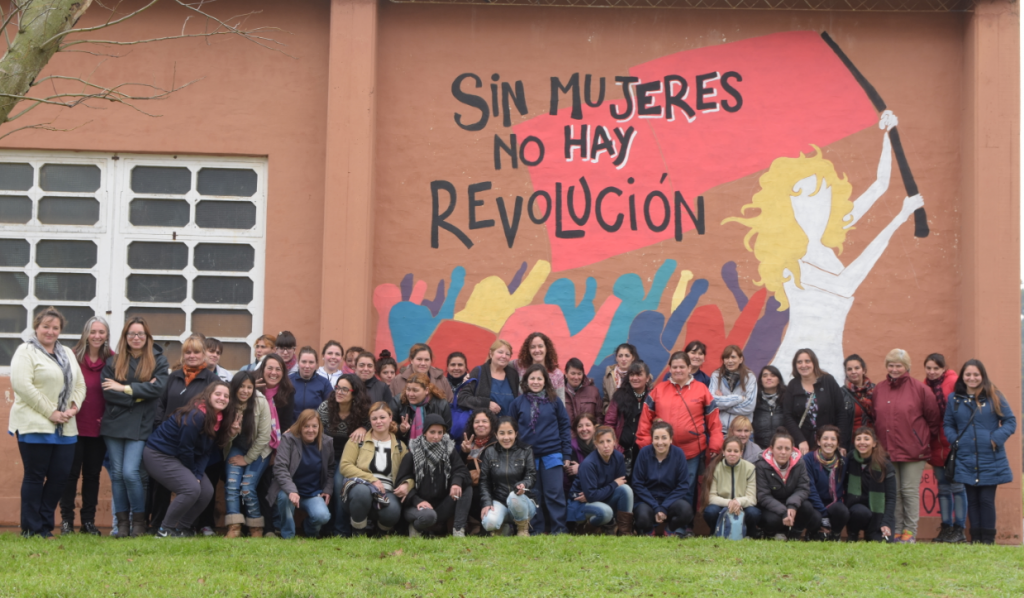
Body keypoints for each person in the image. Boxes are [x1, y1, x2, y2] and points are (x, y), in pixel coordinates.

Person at [10, 307, 86, 539]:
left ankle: (44, 525)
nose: (50, 331)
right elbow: (23, 386)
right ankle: (32, 529)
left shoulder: (68, 353)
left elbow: (80, 385)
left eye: (55, 328)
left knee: (60, 476)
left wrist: (73, 407)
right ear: (36, 327)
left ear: (60, 330)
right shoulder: (26, 351)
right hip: (35, 425)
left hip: (65, 427)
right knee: (35, 476)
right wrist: (51, 412)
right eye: (46, 327)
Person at [100, 316, 170, 538]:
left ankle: (138, 523)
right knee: (118, 474)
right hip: (114, 424)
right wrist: (140, 394)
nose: (136, 337)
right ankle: (122, 525)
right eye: (132, 334)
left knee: (131, 473)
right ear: (125, 337)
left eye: (140, 334)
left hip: (140, 426)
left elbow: (158, 390)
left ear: (147, 337)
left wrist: (124, 389)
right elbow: (107, 393)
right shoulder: (113, 361)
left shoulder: (159, 360)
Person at [636, 351, 722, 525]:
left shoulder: (701, 390)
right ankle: (656, 523)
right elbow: (645, 421)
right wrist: (646, 445)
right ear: (670, 369)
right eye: (674, 367)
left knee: (687, 489)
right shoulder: (658, 390)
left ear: (690, 368)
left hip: (691, 451)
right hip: (660, 451)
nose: (678, 370)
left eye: (682, 366)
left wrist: (715, 445)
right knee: (658, 487)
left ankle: (683, 527)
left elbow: (713, 421)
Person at [144, 382, 233, 537]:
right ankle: (165, 530)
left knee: (206, 491)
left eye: (226, 396)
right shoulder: (196, 415)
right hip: (159, 454)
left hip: (180, 457)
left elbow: (206, 451)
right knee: (191, 489)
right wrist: (193, 474)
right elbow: (186, 449)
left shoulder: (218, 419)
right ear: (208, 395)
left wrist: (198, 475)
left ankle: (182, 529)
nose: (222, 398)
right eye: (218, 394)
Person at [944, 359, 1017, 545]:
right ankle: (975, 539)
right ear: (962, 377)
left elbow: (1010, 421)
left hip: (990, 458)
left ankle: (988, 540)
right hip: (965, 457)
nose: (972, 378)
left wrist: (995, 438)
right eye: (968, 374)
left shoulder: (994, 396)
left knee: (985, 500)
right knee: (972, 500)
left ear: (982, 376)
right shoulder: (954, 399)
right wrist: (956, 441)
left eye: (976, 374)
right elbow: (948, 424)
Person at [872, 348, 940, 544]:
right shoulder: (880, 389)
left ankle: (910, 532)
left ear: (907, 367)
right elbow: (877, 417)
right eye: (891, 365)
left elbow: (933, 419)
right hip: (887, 450)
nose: (894, 369)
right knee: (894, 492)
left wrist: (922, 439)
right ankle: (897, 530)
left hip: (913, 451)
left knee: (908, 491)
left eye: (899, 365)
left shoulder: (920, 389)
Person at [149, 334, 215, 533]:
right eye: (188, 352)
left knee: (196, 487)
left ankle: (186, 526)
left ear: (204, 354)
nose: (192, 356)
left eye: (196, 352)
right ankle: (157, 525)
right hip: (167, 443)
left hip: (193, 446)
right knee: (160, 489)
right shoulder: (174, 377)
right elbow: (160, 403)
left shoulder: (211, 380)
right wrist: (160, 425)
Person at [60, 316, 113, 536]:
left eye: (101, 332)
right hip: (73, 424)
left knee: (92, 476)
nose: (97, 336)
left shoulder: (113, 359)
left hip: (99, 427)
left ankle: (88, 522)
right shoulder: (71, 356)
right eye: (93, 332)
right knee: (70, 475)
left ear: (107, 335)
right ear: (85, 334)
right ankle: (66, 522)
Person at [508, 364, 573, 534]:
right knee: (533, 494)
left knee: (554, 494)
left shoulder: (554, 401)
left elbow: (564, 427)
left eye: (539, 378)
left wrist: (566, 453)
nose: (535, 382)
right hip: (528, 457)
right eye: (532, 378)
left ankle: (559, 529)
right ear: (526, 381)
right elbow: (511, 429)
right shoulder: (517, 403)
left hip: (552, 454)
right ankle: (536, 530)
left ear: (545, 381)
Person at [339, 402, 414, 536]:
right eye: (374, 419)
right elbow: (345, 466)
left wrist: (407, 484)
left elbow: (410, 472)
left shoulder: (400, 445)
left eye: (382, 417)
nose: (378, 421)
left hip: (387, 490)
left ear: (390, 417)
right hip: (359, 487)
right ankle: (358, 532)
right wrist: (372, 480)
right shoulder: (358, 440)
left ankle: (380, 533)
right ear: (370, 421)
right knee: (362, 492)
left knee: (393, 512)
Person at [267, 409, 335, 539]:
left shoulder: (326, 442)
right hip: (289, 491)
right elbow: (280, 468)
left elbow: (331, 468)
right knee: (284, 497)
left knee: (323, 516)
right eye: (306, 426)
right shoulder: (289, 439)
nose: (311, 430)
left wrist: (328, 489)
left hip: (312, 492)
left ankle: (309, 530)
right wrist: (291, 490)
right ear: (300, 426)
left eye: (314, 426)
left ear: (319, 427)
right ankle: (288, 535)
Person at [317, 374, 370, 538]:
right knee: (322, 483)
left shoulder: (363, 410)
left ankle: (341, 530)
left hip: (349, 459)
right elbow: (314, 427)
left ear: (354, 393)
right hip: (325, 456)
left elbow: (376, 423)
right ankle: (324, 528)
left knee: (340, 484)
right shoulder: (326, 407)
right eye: (338, 388)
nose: (339, 392)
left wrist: (364, 428)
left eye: (345, 389)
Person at [402, 413, 473, 537]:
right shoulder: (412, 453)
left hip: (440, 506)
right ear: (424, 432)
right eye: (432, 432)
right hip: (416, 506)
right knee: (428, 516)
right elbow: (402, 481)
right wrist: (417, 500)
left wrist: (456, 482)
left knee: (466, 487)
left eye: (440, 433)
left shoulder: (449, 451)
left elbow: (462, 471)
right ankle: (416, 527)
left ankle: (458, 529)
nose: (436, 436)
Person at [223, 371, 272, 538]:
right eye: (241, 387)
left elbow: (265, 436)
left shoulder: (260, 401)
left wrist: (247, 459)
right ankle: (234, 527)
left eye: (249, 387)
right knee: (231, 485)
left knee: (247, 487)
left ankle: (255, 528)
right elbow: (221, 437)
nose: (245, 391)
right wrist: (231, 432)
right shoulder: (227, 401)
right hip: (235, 447)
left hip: (258, 450)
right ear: (235, 387)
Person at [922, 353, 964, 543]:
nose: (931, 372)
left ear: (943, 369)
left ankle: (959, 528)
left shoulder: (954, 381)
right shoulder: (924, 386)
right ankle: (946, 527)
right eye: (929, 368)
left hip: (953, 444)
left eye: (936, 368)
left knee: (957, 487)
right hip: (936, 444)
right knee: (943, 488)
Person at [252, 353, 294, 537]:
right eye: (270, 368)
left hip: (275, 448)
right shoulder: (252, 389)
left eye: (278, 369)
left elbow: (285, 426)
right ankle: (252, 526)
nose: (274, 372)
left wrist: (276, 454)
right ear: (262, 370)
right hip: (252, 446)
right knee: (251, 486)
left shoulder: (287, 392)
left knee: (268, 486)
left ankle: (268, 528)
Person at [568, 426, 634, 535]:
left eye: (608, 441)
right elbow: (593, 496)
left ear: (614, 442)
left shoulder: (618, 457)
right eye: (601, 442)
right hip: (580, 504)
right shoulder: (588, 464)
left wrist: (597, 493)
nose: (606, 445)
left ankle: (624, 532)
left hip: (599, 497)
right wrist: (613, 484)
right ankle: (585, 528)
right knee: (606, 512)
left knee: (625, 489)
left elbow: (620, 484)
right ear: (596, 444)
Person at [633, 421, 695, 537]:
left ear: (671, 439)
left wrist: (664, 506)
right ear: (652, 439)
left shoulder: (679, 454)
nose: (660, 442)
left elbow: (683, 485)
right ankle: (649, 531)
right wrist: (656, 507)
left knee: (686, 512)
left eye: (664, 438)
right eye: (656, 438)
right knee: (642, 518)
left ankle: (669, 530)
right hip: (647, 500)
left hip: (670, 499)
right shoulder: (644, 453)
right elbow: (637, 484)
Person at [479, 417, 537, 537]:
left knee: (513, 496)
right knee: (489, 523)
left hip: (523, 502)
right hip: (499, 501)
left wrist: (524, 485)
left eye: (510, 433)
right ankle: (503, 527)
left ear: (515, 433)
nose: (506, 437)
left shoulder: (526, 450)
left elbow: (531, 475)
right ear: (496, 434)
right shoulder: (489, 452)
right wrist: (486, 502)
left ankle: (522, 529)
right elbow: (484, 481)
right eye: (502, 433)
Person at [755, 428, 814, 540]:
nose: (783, 452)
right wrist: (783, 511)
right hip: (770, 506)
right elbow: (763, 495)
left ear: (792, 450)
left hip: (792, 503)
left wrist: (792, 505)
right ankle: (770, 534)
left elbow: (803, 488)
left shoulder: (800, 463)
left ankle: (794, 535)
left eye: (787, 448)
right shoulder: (761, 465)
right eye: (779, 448)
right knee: (772, 520)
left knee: (808, 508)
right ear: (771, 449)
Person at [786, 348, 848, 453]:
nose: (803, 365)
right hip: (803, 444)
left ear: (814, 362)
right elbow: (788, 416)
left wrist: (840, 443)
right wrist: (800, 440)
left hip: (828, 442)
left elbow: (841, 413)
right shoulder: (793, 385)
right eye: (799, 362)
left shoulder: (828, 381)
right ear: (795, 365)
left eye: (807, 361)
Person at [844, 426, 897, 542]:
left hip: (879, 513)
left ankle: (872, 533)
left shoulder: (885, 465)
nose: (862, 442)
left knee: (882, 544)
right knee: (860, 512)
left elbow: (891, 498)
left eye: (866, 439)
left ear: (874, 443)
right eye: (858, 439)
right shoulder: (849, 460)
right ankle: (853, 535)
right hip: (858, 509)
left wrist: (886, 522)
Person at [702, 436, 759, 537]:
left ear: (741, 453)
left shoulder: (750, 468)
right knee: (710, 511)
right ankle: (716, 533)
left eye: (736, 451)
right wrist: (729, 503)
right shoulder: (715, 468)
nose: (732, 454)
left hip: (742, 504)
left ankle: (749, 535)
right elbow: (711, 497)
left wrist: (738, 502)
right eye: (729, 450)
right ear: (723, 452)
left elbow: (752, 498)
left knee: (754, 513)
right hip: (722, 504)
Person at [605, 361, 652, 474]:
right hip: (621, 451)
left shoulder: (652, 397)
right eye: (632, 375)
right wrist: (616, 446)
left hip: (644, 451)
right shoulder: (619, 396)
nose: (635, 378)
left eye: (639, 375)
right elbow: (609, 422)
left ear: (647, 378)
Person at [802, 425, 847, 541]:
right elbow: (809, 487)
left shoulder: (843, 461)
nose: (829, 442)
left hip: (833, 504)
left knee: (842, 511)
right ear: (818, 441)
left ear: (838, 443)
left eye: (833, 439)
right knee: (813, 515)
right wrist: (823, 514)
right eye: (825, 438)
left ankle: (835, 535)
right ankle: (813, 533)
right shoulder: (808, 459)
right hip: (814, 504)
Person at [460, 409, 498, 535]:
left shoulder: (497, 443)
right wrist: (464, 453)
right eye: (477, 422)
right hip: (470, 485)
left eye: (484, 421)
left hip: (491, 486)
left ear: (491, 424)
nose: (480, 424)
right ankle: (472, 525)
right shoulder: (467, 443)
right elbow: (458, 466)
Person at [457, 339, 519, 416]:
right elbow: (462, 398)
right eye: (500, 352)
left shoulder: (513, 375)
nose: (504, 356)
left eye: (507, 354)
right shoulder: (479, 371)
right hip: (485, 425)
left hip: (507, 426)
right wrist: (486, 404)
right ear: (491, 353)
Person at [708, 345, 757, 434]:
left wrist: (723, 404)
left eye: (733, 357)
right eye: (726, 358)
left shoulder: (749, 377)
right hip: (720, 431)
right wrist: (739, 399)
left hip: (742, 431)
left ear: (740, 359)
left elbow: (749, 406)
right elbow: (711, 402)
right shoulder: (716, 375)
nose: (730, 361)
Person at [752, 365, 801, 451]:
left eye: (773, 375)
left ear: (779, 380)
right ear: (760, 380)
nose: (769, 378)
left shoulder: (788, 400)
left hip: (783, 450)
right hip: (759, 450)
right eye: (765, 376)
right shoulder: (754, 401)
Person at [397, 373, 453, 443]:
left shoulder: (442, 405)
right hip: (406, 448)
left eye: (415, 390)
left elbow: (446, 433)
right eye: (408, 389)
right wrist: (400, 429)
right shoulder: (399, 402)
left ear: (426, 390)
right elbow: (388, 429)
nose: (410, 394)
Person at [516, 332, 566, 403]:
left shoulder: (557, 374)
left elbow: (561, 402)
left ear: (547, 348)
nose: (537, 350)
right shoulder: (521, 366)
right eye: (533, 347)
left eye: (540, 346)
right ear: (528, 350)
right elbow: (502, 362)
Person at [289, 347, 333, 421]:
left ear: (316, 364)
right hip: (291, 429)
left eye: (311, 362)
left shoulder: (324, 383)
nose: (307, 366)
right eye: (304, 362)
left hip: (314, 429)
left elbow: (331, 408)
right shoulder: (288, 381)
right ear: (298, 362)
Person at [564, 413, 598, 498]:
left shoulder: (601, 446)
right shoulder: (571, 447)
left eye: (588, 425)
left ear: (594, 427)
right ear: (576, 429)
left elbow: (606, 471)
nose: (584, 429)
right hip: (578, 493)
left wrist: (580, 468)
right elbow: (573, 476)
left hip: (600, 490)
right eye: (580, 426)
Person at [564, 358, 603, 424]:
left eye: (579, 374)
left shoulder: (593, 391)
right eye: (573, 373)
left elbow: (599, 417)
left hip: (589, 433)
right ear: (566, 374)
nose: (576, 377)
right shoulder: (558, 393)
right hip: (567, 434)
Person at [843, 354, 876, 431]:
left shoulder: (875, 390)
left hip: (873, 439)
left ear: (863, 370)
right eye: (849, 369)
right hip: (852, 440)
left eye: (857, 368)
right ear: (846, 372)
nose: (853, 372)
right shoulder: (841, 393)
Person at [602, 343, 638, 407]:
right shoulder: (608, 376)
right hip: (614, 415)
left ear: (633, 358)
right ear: (616, 358)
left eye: (627, 355)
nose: (623, 359)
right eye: (620, 356)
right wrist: (608, 410)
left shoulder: (641, 375)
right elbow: (606, 400)